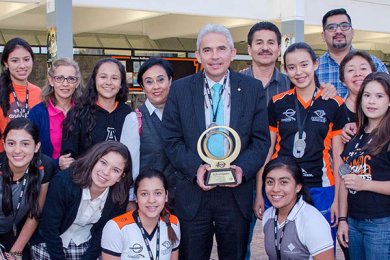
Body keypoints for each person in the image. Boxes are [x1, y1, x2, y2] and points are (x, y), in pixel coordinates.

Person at [161, 24, 270, 260]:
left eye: (221, 49)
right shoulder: (180, 89)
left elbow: (261, 141)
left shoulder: (252, 89)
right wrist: (195, 169)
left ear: (232, 53)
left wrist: (242, 169)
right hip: (193, 192)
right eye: (207, 50)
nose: (215, 56)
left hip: (235, 192)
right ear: (198, 55)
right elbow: (171, 140)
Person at [255, 42, 348, 244]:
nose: (299, 72)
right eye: (292, 67)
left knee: (320, 249)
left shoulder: (334, 104)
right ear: (285, 70)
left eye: (304, 64)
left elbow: (340, 158)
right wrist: (259, 192)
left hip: (321, 188)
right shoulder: (278, 103)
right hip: (282, 187)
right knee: (283, 249)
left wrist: (337, 201)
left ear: (315, 65)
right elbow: (267, 150)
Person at [30, 141, 133, 259]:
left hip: (87, 245)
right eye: (103, 163)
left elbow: (102, 235)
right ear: (94, 159)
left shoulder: (118, 196)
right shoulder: (64, 182)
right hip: (49, 244)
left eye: (115, 170)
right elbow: (49, 228)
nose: (106, 172)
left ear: (121, 176)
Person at [338, 72, 390, 259]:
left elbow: (358, 182)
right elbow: (345, 180)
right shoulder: (355, 135)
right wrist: (343, 220)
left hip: (381, 224)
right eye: (367, 95)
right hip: (353, 222)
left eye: (379, 96)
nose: (371, 101)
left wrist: (365, 184)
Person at [121, 57, 176, 211]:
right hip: (149, 204)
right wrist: (131, 200)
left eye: (161, 79)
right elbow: (128, 167)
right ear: (143, 87)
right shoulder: (135, 120)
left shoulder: (182, 116)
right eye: (149, 82)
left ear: (170, 81)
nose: (156, 87)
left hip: (183, 202)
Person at [0, 118, 55, 259]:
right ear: (4, 145)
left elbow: (35, 214)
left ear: (36, 146)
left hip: (15, 232)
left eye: (25, 144)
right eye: (11, 143)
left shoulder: (45, 166)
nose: (17, 150)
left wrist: (15, 252)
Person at [61, 58, 132, 164]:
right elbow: (69, 159)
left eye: (115, 78)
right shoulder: (78, 113)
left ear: (121, 83)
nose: (108, 82)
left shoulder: (129, 115)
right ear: (94, 80)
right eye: (103, 77)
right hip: (84, 177)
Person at [262, 156, 334, 260]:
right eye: (270, 182)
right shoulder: (268, 215)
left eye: (284, 182)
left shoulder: (312, 221)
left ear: (298, 187)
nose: (275, 189)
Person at [101, 169, 180, 260]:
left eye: (158, 193)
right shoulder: (116, 227)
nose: (151, 200)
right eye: (144, 194)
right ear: (136, 197)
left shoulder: (173, 223)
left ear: (166, 196)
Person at [317, 8, 388, 99]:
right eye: (331, 27)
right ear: (323, 36)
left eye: (344, 26)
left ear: (352, 32)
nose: (338, 31)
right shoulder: (313, 68)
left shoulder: (374, 63)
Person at [28, 58, 82, 170]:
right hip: (47, 179)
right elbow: (28, 150)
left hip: (80, 177)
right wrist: (56, 163)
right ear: (51, 81)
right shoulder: (37, 113)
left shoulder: (84, 111)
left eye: (71, 79)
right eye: (59, 78)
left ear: (77, 82)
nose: (65, 84)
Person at [0, 37, 42, 151]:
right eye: (15, 61)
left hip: (32, 159)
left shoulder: (39, 93)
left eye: (26, 59)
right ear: (6, 63)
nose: (22, 65)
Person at [339, 51, 376, 144]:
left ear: (373, 74)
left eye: (363, 68)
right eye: (351, 70)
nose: (358, 74)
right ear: (343, 80)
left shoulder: (385, 108)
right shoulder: (336, 109)